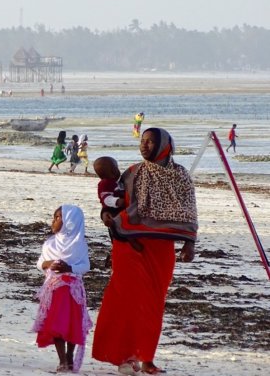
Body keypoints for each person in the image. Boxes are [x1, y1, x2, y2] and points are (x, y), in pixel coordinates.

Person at [92, 128, 198, 375]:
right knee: (126, 300)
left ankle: (147, 358)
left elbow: (189, 209)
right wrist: (104, 214)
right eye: (142, 141)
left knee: (152, 304)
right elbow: (114, 200)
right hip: (129, 245)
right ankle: (126, 357)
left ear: (164, 146)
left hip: (160, 249)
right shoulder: (132, 173)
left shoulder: (180, 175)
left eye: (150, 141)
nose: (144, 145)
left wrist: (189, 242)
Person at [32, 204, 92, 373]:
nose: (54, 221)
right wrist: (49, 264)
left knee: (72, 323)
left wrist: (70, 268)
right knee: (57, 324)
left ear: (70, 222)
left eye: (58, 218)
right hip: (55, 290)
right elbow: (40, 263)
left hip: (73, 291)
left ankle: (70, 356)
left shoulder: (80, 245)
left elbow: (85, 266)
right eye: (54, 217)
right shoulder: (50, 243)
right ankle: (62, 359)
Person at [93, 156, 143, 265]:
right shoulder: (105, 183)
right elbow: (105, 198)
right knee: (122, 226)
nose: (118, 170)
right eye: (115, 167)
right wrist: (116, 202)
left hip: (121, 210)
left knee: (123, 226)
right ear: (112, 170)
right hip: (114, 210)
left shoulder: (119, 181)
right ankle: (131, 241)